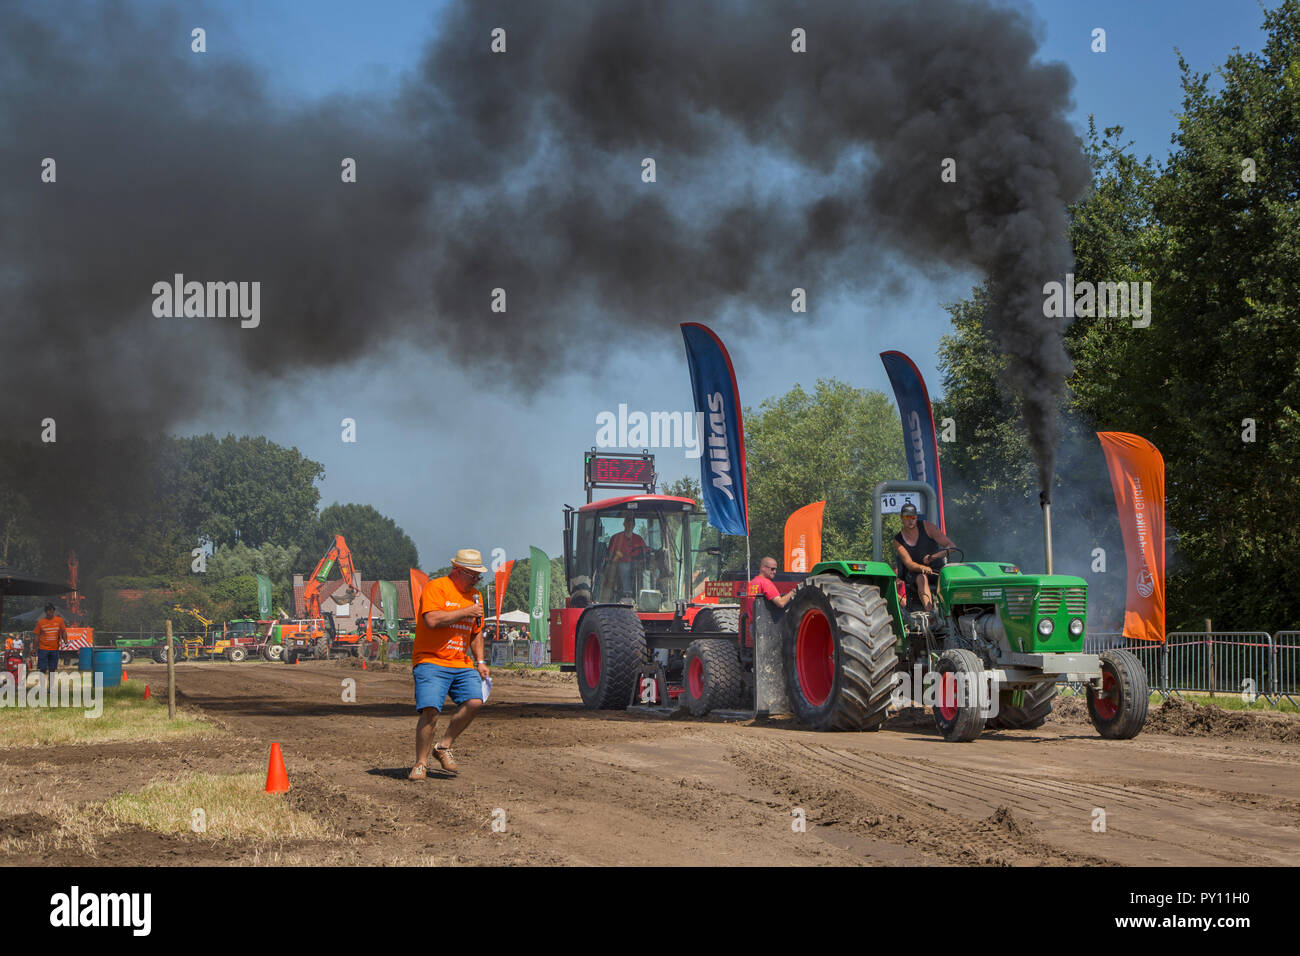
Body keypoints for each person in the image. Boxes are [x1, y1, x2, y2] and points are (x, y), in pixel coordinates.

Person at [409, 549, 491, 780]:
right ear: (457, 571)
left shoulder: (476, 596)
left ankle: (443, 746)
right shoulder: (436, 588)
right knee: (431, 711)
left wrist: (481, 661)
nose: (476, 580)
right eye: (473, 575)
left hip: (461, 663)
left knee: (475, 701)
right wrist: (466, 610)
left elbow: (476, 632)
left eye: (478, 576)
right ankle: (420, 763)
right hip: (430, 660)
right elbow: (432, 620)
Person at [893, 502, 958, 612]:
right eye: (907, 517)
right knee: (921, 578)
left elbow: (951, 547)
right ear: (901, 518)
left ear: (916, 517)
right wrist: (923, 568)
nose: (910, 520)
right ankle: (931, 614)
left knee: (951, 578)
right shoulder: (898, 540)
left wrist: (933, 557)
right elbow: (909, 564)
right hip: (915, 574)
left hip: (937, 571)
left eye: (913, 517)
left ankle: (954, 612)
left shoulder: (928, 527)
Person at [606, 515, 648, 597]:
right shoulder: (616, 538)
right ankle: (627, 593)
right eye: (628, 524)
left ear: (634, 526)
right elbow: (610, 555)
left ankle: (645, 594)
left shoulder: (639, 539)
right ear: (624, 524)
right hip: (621, 563)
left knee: (647, 571)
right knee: (625, 567)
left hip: (637, 564)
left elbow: (645, 553)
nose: (630, 526)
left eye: (632, 524)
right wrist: (617, 556)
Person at [32, 603, 68, 687]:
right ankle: (42, 687)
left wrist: (65, 641)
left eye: (52, 610)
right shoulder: (40, 622)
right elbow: (36, 636)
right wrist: (34, 648)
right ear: (45, 612)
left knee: (52, 669)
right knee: (42, 669)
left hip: (54, 649)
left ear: (54, 611)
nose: (50, 612)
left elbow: (63, 631)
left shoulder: (59, 620)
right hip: (43, 649)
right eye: (48, 611)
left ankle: (50, 688)